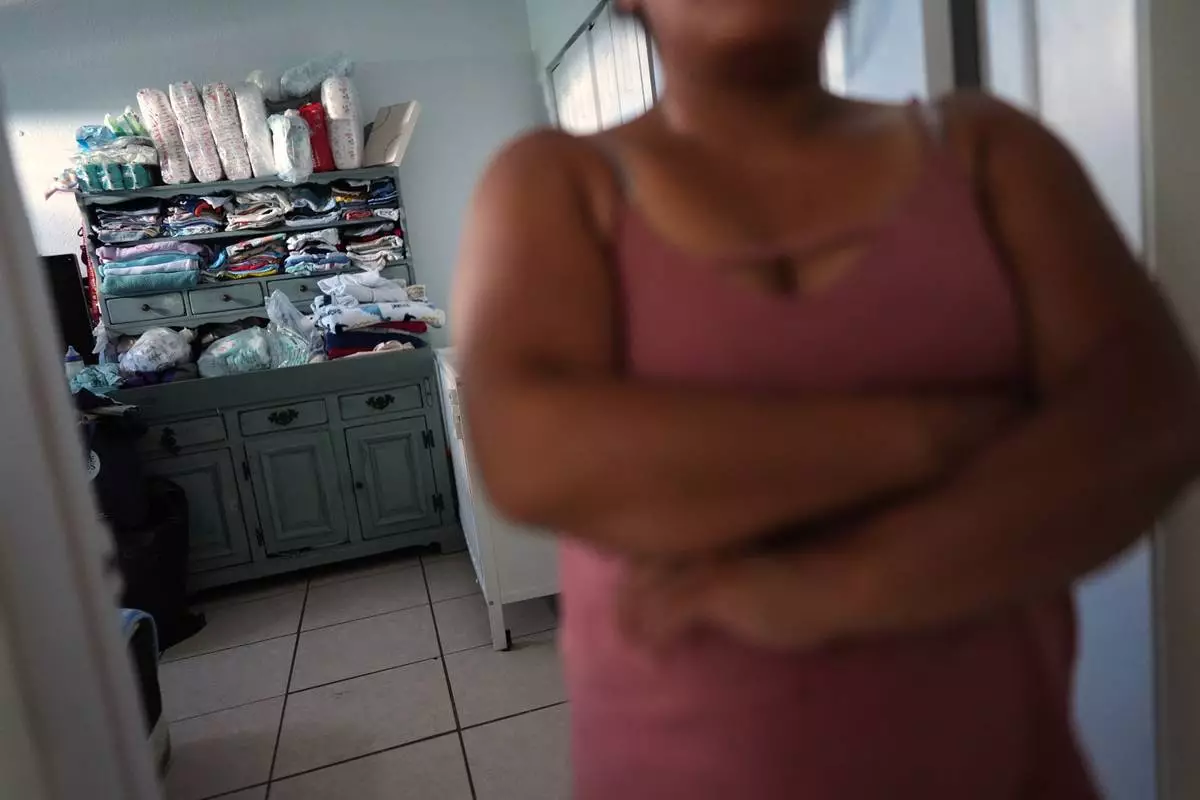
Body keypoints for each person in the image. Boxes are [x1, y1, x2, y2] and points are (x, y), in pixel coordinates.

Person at [453, 1, 1200, 797]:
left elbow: (1151, 421)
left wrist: (830, 589)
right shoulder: (553, 181)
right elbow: (529, 454)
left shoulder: (990, 150)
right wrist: (935, 435)